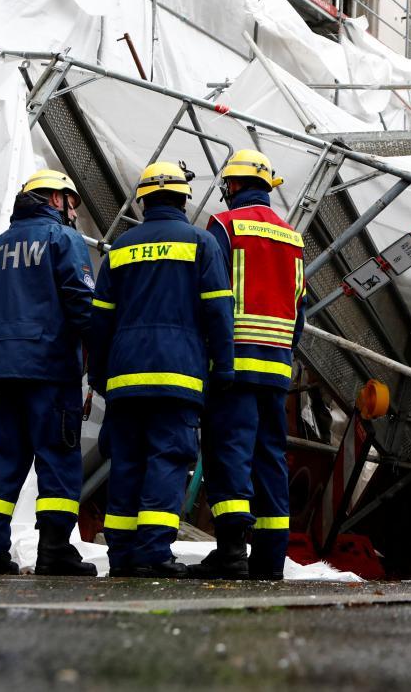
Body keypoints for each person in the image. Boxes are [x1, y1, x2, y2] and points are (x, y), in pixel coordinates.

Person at [89, 161, 234, 578]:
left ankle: (120, 555)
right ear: (184, 198)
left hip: (124, 378)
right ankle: (152, 553)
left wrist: (98, 374)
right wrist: (222, 369)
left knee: (127, 463)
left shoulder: (120, 249)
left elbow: (100, 320)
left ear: (144, 199)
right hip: (178, 377)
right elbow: (219, 313)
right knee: (167, 460)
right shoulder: (200, 244)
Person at [0, 169, 97, 577]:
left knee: (5, 462)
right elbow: (82, 304)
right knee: (58, 461)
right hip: (50, 370)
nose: (74, 211)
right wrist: (97, 356)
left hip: (4, 373)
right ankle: (55, 550)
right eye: (71, 202)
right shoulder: (63, 239)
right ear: (55, 199)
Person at [189, 149, 305, 580]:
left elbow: (212, 296)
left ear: (233, 186)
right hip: (276, 368)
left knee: (228, 454)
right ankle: (269, 561)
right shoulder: (292, 237)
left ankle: (232, 553)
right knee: (271, 459)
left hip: (232, 364)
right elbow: (300, 308)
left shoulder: (223, 225)